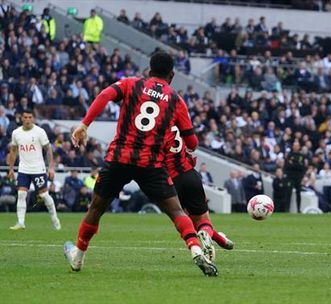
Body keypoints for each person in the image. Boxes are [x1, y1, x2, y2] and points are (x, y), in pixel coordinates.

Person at [63, 52, 218, 276]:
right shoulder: (176, 100)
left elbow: (105, 96)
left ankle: (78, 257)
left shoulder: (131, 84)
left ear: (149, 70)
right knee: (176, 211)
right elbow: (192, 140)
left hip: (119, 158)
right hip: (151, 164)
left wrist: (85, 125)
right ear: (171, 75)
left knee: (96, 208)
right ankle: (195, 250)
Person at [164, 125, 234, 262]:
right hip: (189, 174)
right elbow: (192, 143)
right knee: (203, 220)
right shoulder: (177, 123)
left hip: (171, 181)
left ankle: (201, 243)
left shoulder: (156, 129)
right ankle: (219, 239)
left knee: (183, 218)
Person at [7, 110, 61, 231]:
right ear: (22, 118)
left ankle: (55, 220)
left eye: (30, 117)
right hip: (23, 169)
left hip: (38, 169)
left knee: (44, 195)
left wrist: (51, 167)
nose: (27, 120)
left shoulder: (39, 132)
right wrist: (11, 169)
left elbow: (48, 149)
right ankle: (21, 222)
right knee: (21, 194)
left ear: (33, 118)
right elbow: (13, 151)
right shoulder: (16, 133)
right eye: (25, 117)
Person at [285, 141, 307, 212]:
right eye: (294, 145)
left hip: (298, 178)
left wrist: (293, 163)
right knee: (288, 193)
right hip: (290, 177)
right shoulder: (289, 155)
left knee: (298, 193)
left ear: (299, 147)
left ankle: (298, 209)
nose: (295, 147)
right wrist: (297, 164)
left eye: (297, 145)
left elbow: (302, 167)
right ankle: (287, 209)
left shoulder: (301, 156)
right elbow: (288, 166)